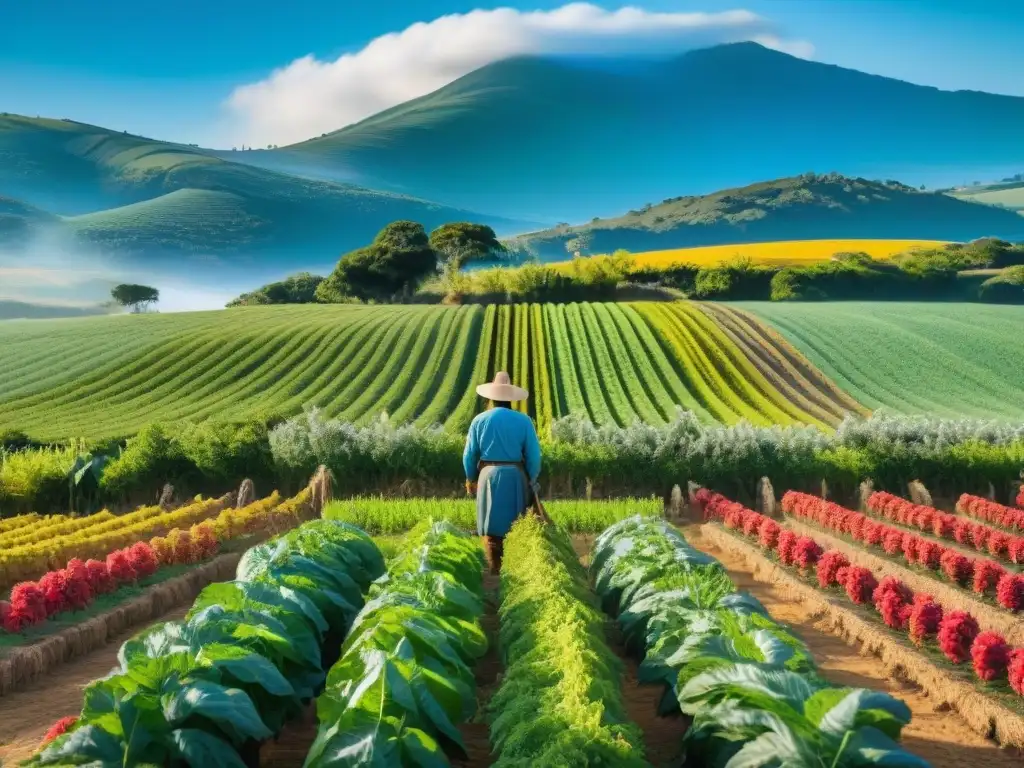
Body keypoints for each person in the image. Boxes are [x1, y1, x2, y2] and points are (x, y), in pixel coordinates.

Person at [463, 371, 542, 574]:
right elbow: (534, 456)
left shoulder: (479, 421)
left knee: (490, 526)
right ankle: (513, 567)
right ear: (511, 400)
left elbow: (469, 455)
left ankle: (494, 566)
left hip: (487, 474)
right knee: (515, 523)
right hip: (515, 476)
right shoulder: (524, 421)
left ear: (492, 398)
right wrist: (531, 479)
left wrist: (471, 478)